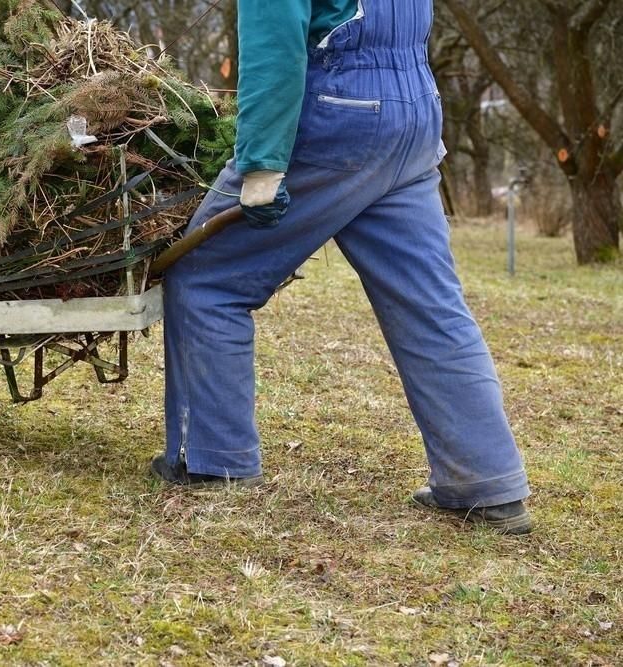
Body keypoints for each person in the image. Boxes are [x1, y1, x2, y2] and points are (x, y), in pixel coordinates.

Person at [150, 0, 533, 534]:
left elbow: (274, 39)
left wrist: (263, 165)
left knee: (204, 276)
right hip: (413, 114)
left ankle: (217, 460)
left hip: (338, 116)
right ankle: (486, 482)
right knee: (430, 305)